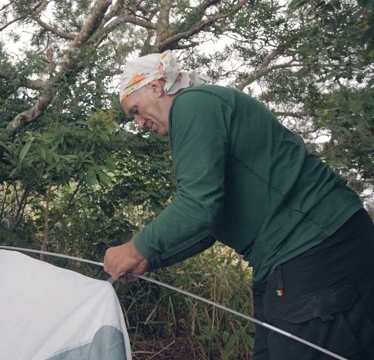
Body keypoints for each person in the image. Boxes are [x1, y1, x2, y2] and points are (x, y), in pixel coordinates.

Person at [103, 51, 374, 359]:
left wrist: (132, 248)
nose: (138, 123)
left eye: (136, 110)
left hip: (316, 244)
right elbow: (208, 224)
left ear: (156, 87)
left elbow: (197, 205)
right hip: (285, 258)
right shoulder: (196, 118)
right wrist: (148, 260)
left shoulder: (192, 104)